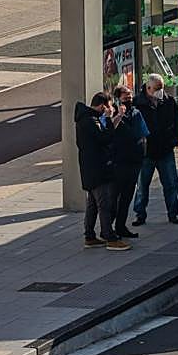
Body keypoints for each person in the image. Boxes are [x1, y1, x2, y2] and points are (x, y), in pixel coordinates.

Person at [74, 92, 130, 251]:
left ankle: (90, 236)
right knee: (104, 204)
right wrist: (110, 121)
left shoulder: (86, 119)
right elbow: (105, 138)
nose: (111, 109)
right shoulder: (91, 121)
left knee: (92, 204)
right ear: (102, 106)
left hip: (90, 168)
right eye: (110, 105)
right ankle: (109, 236)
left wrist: (114, 119)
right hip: (98, 169)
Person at [133, 73, 178, 225]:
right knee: (142, 186)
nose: (160, 91)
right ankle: (140, 214)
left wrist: (174, 141)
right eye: (157, 88)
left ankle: (173, 213)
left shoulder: (168, 102)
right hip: (146, 154)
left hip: (165, 151)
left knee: (171, 184)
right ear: (148, 88)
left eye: (161, 88)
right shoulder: (138, 103)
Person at [110, 85, 148, 238]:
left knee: (126, 198)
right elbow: (108, 131)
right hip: (119, 162)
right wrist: (119, 115)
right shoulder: (112, 114)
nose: (129, 98)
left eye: (130, 95)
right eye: (125, 96)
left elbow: (143, 135)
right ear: (118, 98)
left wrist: (142, 154)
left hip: (133, 161)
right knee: (114, 198)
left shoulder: (136, 113)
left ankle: (120, 226)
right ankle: (107, 228)